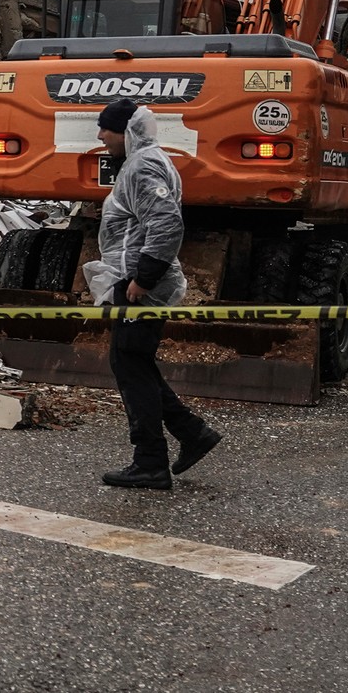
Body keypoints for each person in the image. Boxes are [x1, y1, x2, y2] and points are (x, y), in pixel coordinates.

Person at [91, 98, 222, 491]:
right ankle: (191, 433)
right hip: (135, 280)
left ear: (126, 132)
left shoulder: (144, 165)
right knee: (133, 363)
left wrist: (143, 279)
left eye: (106, 129)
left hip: (142, 284)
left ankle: (150, 461)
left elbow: (165, 222)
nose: (100, 136)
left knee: (131, 365)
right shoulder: (142, 162)